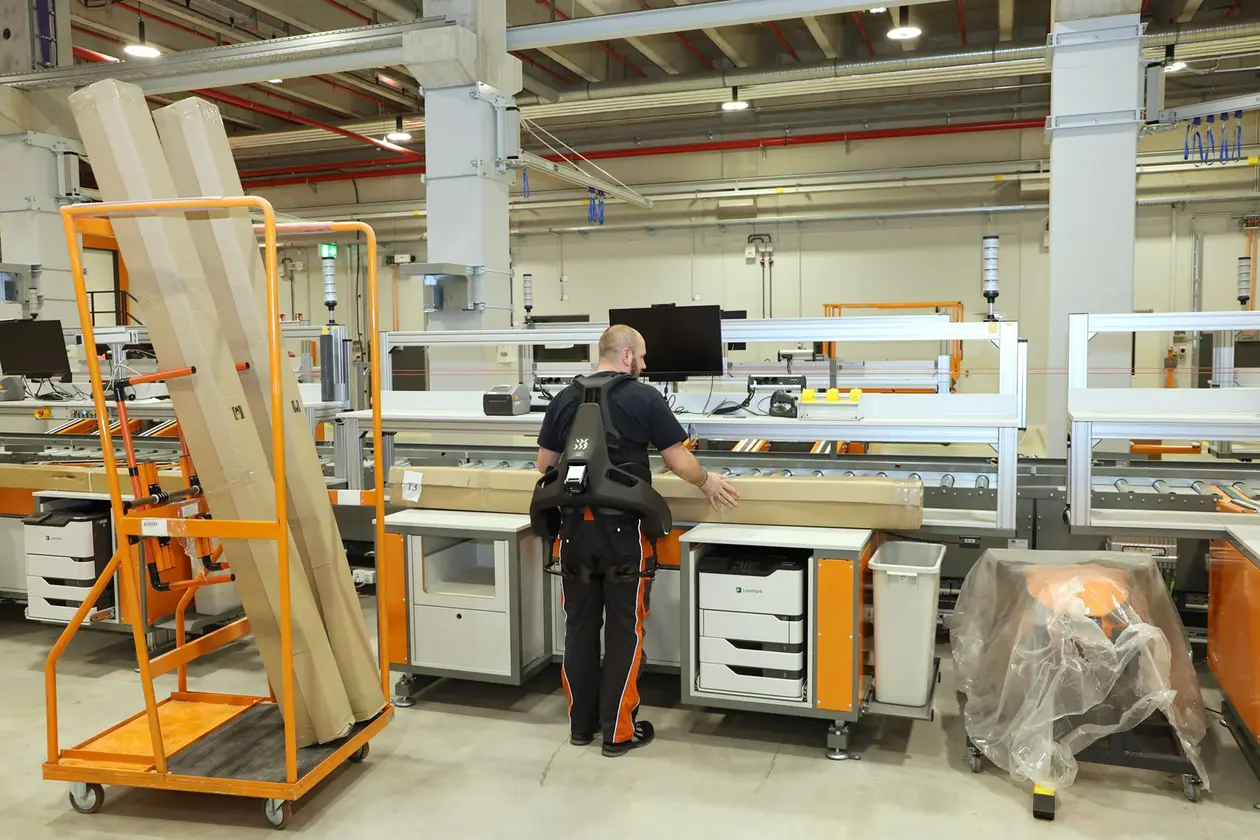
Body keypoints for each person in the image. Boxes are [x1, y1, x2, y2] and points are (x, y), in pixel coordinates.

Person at [537, 324, 740, 757]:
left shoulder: (564, 397)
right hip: (623, 532)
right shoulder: (644, 397)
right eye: (643, 357)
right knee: (624, 632)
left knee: (579, 629)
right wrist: (708, 482)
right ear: (627, 355)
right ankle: (617, 733)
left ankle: (581, 726)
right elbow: (677, 459)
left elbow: (544, 464)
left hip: (573, 533)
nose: (645, 366)